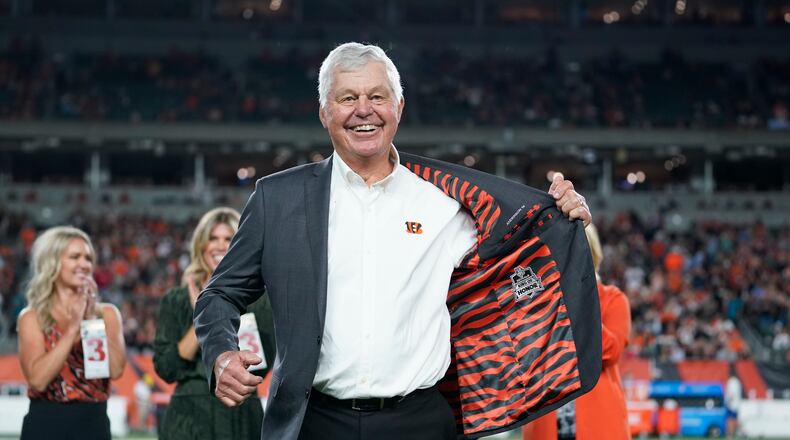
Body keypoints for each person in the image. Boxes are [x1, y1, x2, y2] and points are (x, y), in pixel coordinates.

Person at [195, 42, 601, 440]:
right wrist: (221, 353)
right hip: (314, 422)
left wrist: (565, 213)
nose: (364, 110)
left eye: (377, 96)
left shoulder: (447, 200)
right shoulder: (276, 199)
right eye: (347, 97)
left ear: (399, 107)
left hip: (419, 421)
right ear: (324, 112)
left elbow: (525, 241)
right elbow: (219, 294)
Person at [154, 207, 275, 440]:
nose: (220, 246)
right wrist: (202, 315)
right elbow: (167, 368)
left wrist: (224, 307)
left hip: (240, 415)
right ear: (201, 245)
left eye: (229, 238)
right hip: (187, 420)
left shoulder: (261, 301)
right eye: (213, 238)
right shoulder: (176, 300)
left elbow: (261, 366)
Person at [522, 223, 632, 440]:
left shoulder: (613, 299)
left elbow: (608, 352)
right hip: (545, 422)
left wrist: (574, 296)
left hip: (599, 424)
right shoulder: (540, 301)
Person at [17, 226, 126, 440]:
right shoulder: (32, 317)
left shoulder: (107, 314)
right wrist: (73, 328)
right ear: (52, 262)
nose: (84, 265)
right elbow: (38, 380)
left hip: (93, 423)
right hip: (45, 423)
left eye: (88, 258)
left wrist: (91, 321)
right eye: (75, 257)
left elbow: (115, 370)